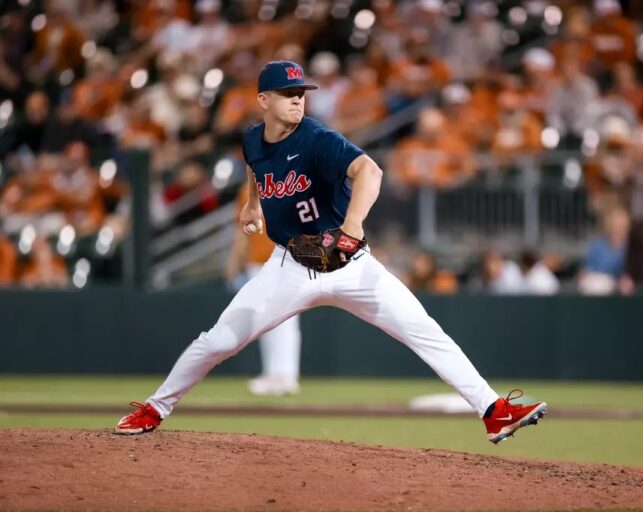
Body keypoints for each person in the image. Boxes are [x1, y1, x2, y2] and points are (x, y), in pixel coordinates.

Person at [115, 60, 547, 443]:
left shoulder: (318, 138)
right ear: (263, 100)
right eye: (287, 94)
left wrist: (353, 225)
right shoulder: (252, 139)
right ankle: (155, 408)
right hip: (289, 266)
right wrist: (251, 202)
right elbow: (255, 165)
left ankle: (493, 412)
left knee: (424, 329)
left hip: (349, 263)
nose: (297, 101)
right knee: (218, 341)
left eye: (301, 94)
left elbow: (369, 171)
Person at [228, 183, 302, 395]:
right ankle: (277, 374)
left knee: (284, 318)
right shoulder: (247, 190)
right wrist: (236, 259)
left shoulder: (293, 182)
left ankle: (284, 374)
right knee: (266, 318)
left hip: (285, 257)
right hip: (258, 261)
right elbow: (243, 228)